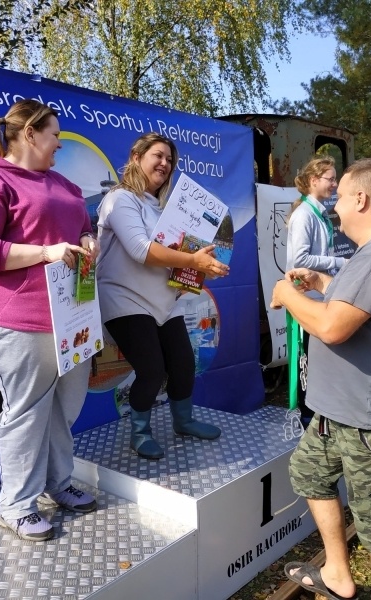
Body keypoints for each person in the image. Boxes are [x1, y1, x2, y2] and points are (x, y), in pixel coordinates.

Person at [271, 158, 371, 600]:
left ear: (360, 199)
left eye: (341, 196)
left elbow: (333, 327)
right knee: (308, 474)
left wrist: (286, 294)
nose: (336, 206)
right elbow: (358, 307)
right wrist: (322, 281)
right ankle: (338, 576)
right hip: (340, 415)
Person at [0, 99, 100, 542]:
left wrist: (87, 239)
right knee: (27, 409)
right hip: (15, 314)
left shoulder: (63, 184)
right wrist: (46, 252)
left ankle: (58, 483)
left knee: (63, 407)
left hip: (70, 313)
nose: (59, 142)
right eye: (54, 134)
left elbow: (82, 225)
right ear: (30, 134)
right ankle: (16, 505)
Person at [96, 133, 229, 459]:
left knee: (184, 363)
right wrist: (192, 260)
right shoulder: (120, 199)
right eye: (158, 155)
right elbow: (141, 250)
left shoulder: (163, 209)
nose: (165, 164)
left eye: (170, 160)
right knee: (152, 369)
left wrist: (201, 269)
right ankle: (140, 433)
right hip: (123, 298)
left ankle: (183, 421)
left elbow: (175, 259)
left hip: (164, 301)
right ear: (136, 156)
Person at [285, 156, 347, 420]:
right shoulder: (304, 215)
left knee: (320, 361)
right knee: (306, 363)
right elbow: (299, 260)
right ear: (313, 181)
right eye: (330, 178)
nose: (334, 184)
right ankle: (307, 420)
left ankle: (320, 417)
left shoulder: (318, 212)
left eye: (335, 178)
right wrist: (338, 262)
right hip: (305, 298)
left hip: (318, 296)